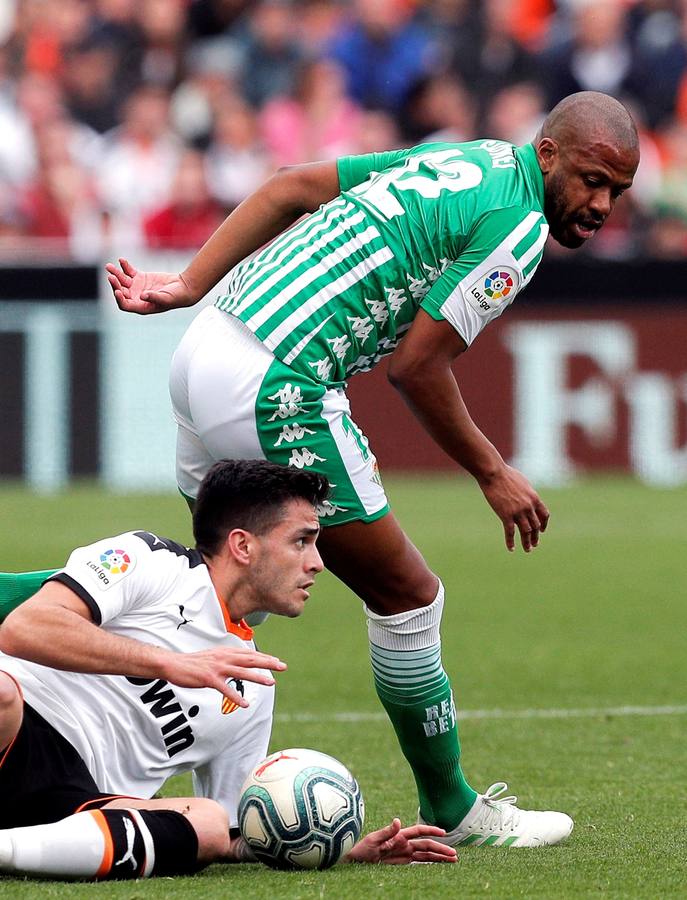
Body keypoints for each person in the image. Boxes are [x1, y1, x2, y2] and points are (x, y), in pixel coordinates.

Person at [5, 91, 640, 849]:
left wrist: (187, 285)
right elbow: (417, 365)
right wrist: (492, 471)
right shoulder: (520, 226)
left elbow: (288, 186)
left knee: (219, 584)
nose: (600, 203)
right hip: (280, 379)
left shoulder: (457, 159)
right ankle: (457, 807)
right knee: (407, 595)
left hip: (207, 346)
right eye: (592, 180)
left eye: (617, 191)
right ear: (547, 155)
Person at [0, 459, 455, 880]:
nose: (317, 562)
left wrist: (339, 851)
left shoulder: (254, 683)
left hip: (80, 805)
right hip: (19, 726)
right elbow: (24, 628)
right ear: (242, 545)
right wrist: (171, 664)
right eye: (302, 540)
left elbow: (240, 834)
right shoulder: (151, 562)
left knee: (209, 823)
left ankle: (10, 849)